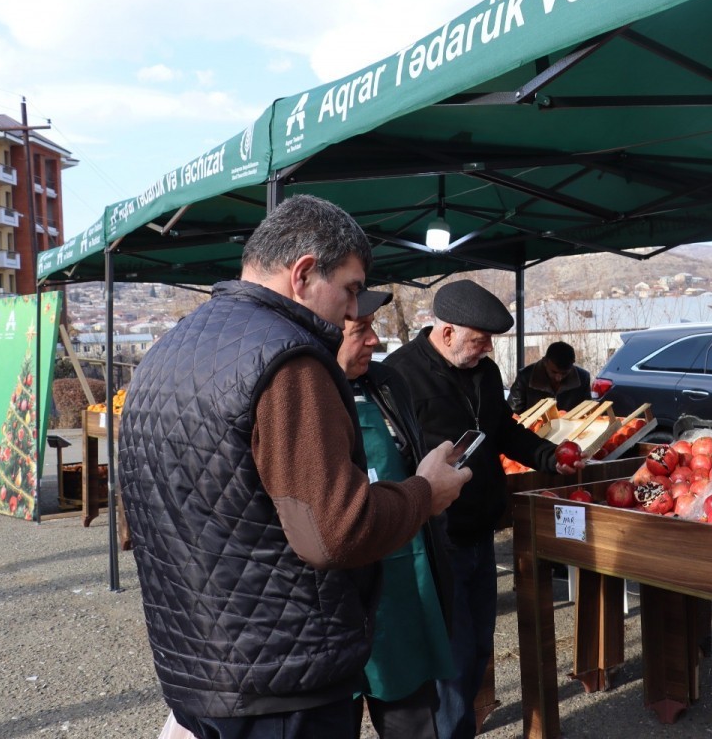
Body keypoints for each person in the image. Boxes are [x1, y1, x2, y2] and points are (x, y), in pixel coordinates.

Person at [118, 195, 470, 739]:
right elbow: (336, 532)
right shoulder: (290, 359)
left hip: (195, 666)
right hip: (283, 681)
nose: (353, 312)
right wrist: (426, 490)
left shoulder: (167, 351)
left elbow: (141, 512)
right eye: (351, 289)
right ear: (304, 272)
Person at [380, 279, 583, 739]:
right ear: (447, 332)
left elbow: (502, 431)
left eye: (489, 340)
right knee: (450, 658)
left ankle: (461, 729)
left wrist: (549, 457)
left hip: (480, 535)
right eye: (479, 339)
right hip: (435, 539)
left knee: (476, 652)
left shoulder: (485, 373)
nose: (486, 348)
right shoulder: (398, 376)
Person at [338, 291, 455, 739]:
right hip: (336, 592)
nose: (374, 340)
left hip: (403, 579)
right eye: (360, 330)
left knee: (413, 719)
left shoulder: (385, 384)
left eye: (374, 327)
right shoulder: (299, 395)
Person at [507, 340, 591, 414]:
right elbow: (512, 413)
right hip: (532, 430)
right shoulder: (525, 376)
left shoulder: (583, 378)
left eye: (564, 373)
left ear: (572, 364)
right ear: (545, 361)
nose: (559, 378)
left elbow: (588, 412)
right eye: (554, 372)